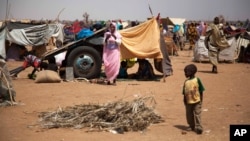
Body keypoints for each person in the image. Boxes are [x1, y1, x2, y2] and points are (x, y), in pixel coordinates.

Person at [182, 64, 205, 134]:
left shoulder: (197, 80)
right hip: (188, 102)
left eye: (186, 72)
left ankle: (199, 127)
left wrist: (201, 99)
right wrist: (184, 100)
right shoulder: (186, 82)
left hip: (197, 101)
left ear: (192, 72)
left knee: (197, 114)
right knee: (189, 115)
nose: (185, 74)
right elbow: (184, 92)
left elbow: (201, 90)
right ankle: (191, 126)